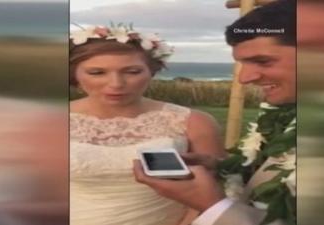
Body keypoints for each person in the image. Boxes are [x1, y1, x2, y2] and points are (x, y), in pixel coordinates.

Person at [134, 0, 296, 225]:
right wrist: (221, 167)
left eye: (263, 61)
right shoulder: (288, 117)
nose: (244, 78)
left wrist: (213, 205)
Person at [69, 25, 225, 225]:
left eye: (132, 72)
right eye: (97, 72)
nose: (116, 83)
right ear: (75, 75)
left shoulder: (194, 122)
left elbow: (212, 193)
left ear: (151, 71)